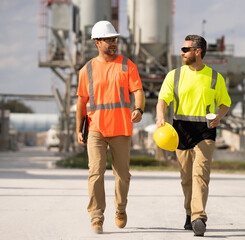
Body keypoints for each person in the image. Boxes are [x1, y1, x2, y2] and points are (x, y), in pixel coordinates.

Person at [156, 35, 231, 236]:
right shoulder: (175, 75)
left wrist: (219, 117)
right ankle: (189, 213)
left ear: (197, 52)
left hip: (205, 131)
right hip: (181, 130)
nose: (182, 52)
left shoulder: (215, 77)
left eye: (185, 49)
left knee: (201, 175)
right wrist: (160, 116)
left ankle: (199, 217)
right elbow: (163, 99)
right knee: (186, 178)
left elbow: (225, 103)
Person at [76, 20, 145, 234]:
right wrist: (79, 128)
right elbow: (81, 102)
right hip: (96, 128)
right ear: (97, 42)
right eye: (108, 40)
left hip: (121, 128)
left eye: (115, 39)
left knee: (122, 175)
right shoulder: (86, 70)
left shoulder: (127, 65)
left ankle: (120, 209)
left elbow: (138, 91)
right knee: (95, 173)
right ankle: (96, 218)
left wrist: (139, 109)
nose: (113, 43)